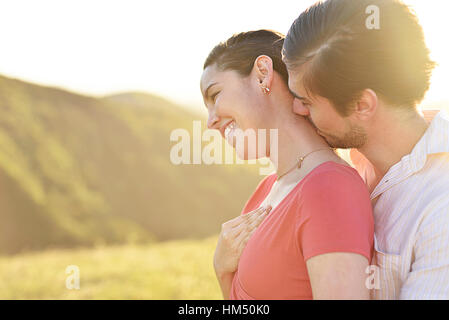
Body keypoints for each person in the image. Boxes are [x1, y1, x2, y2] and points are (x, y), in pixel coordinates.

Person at [283, 0, 449, 299]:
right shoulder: (345, 166)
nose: (295, 108)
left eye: (306, 101)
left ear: (362, 105)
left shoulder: (441, 208)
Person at [200, 30, 374, 300]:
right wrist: (222, 270)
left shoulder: (330, 188)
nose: (210, 121)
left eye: (215, 94)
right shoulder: (267, 188)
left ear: (262, 73)